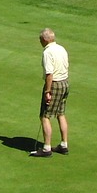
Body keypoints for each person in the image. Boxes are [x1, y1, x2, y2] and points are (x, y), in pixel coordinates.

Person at [32, 28, 69, 157]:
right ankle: (64, 144)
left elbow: (49, 74)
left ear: (44, 39)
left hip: (54, 84)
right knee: (60, 113)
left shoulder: (48, 52)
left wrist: (47, 91)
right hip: (65, 83)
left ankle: (47, 148)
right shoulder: (61, 48)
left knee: (45, 116)